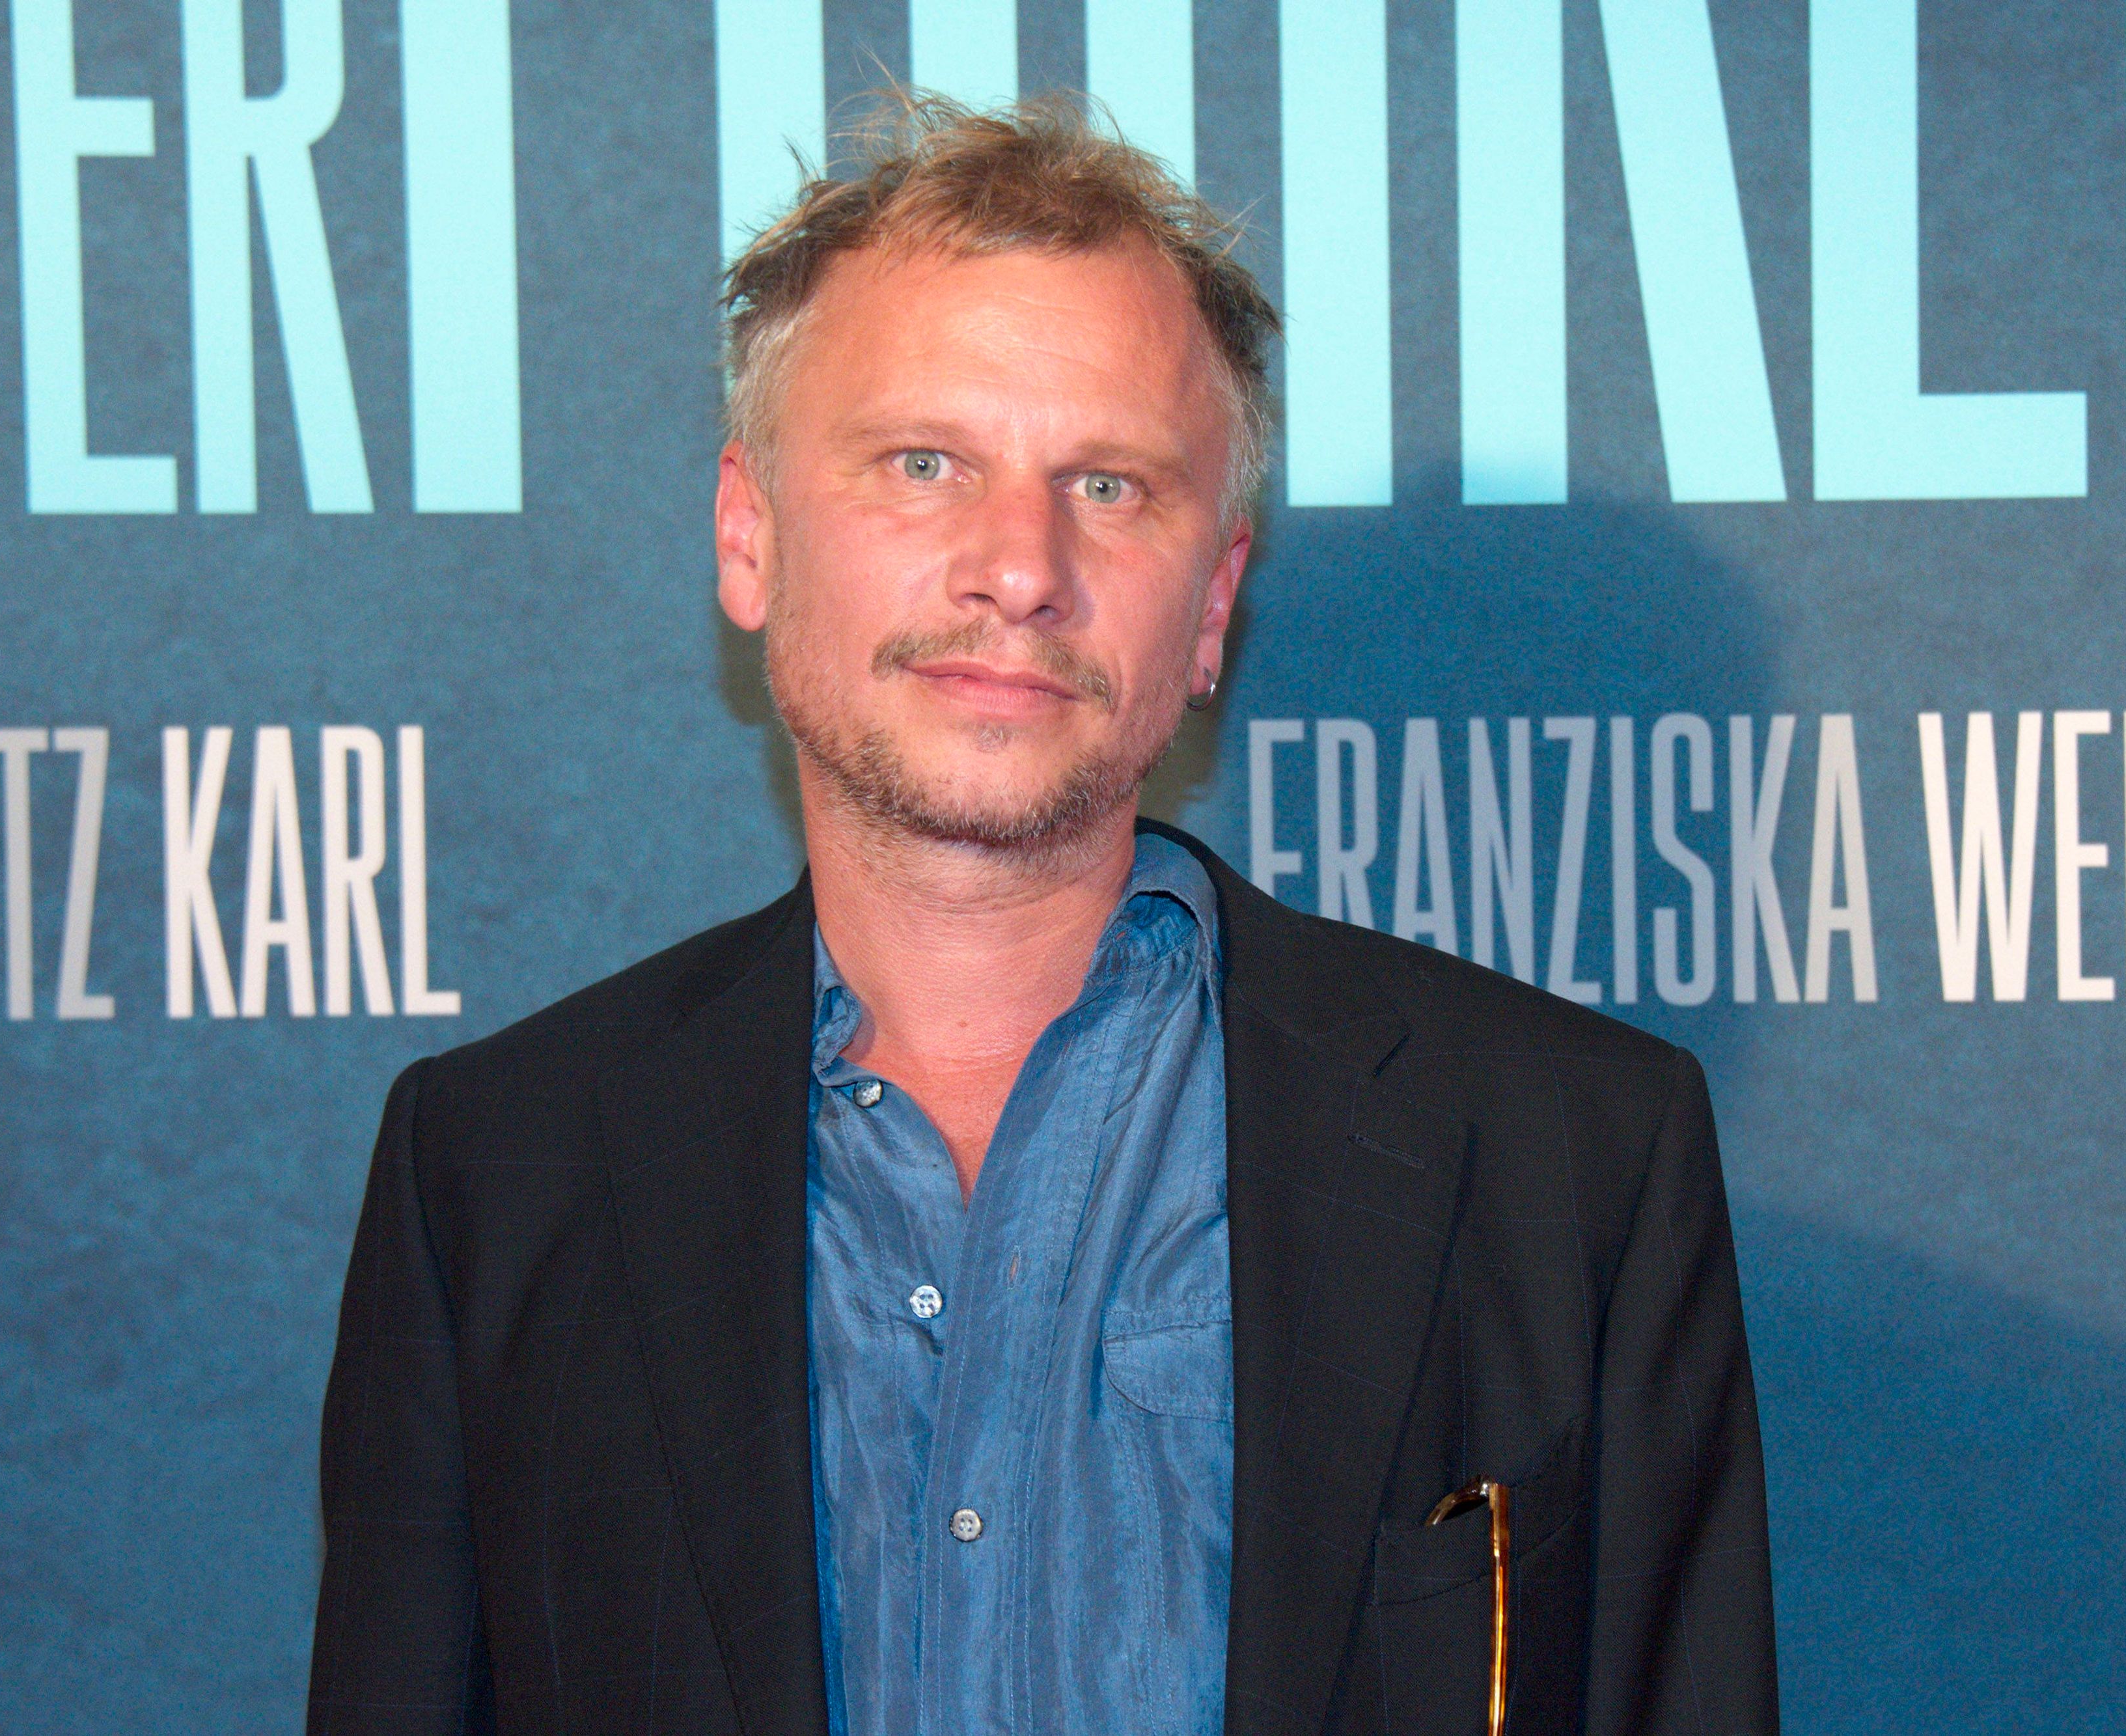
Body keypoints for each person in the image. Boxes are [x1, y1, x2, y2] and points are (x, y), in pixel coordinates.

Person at [306, 92, 1777, 1736]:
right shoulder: (496, 1169)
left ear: (1210, 604)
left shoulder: (1565, 1154)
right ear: (748, 535)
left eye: (1110, 484)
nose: (1018, 564)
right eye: (922, 463)